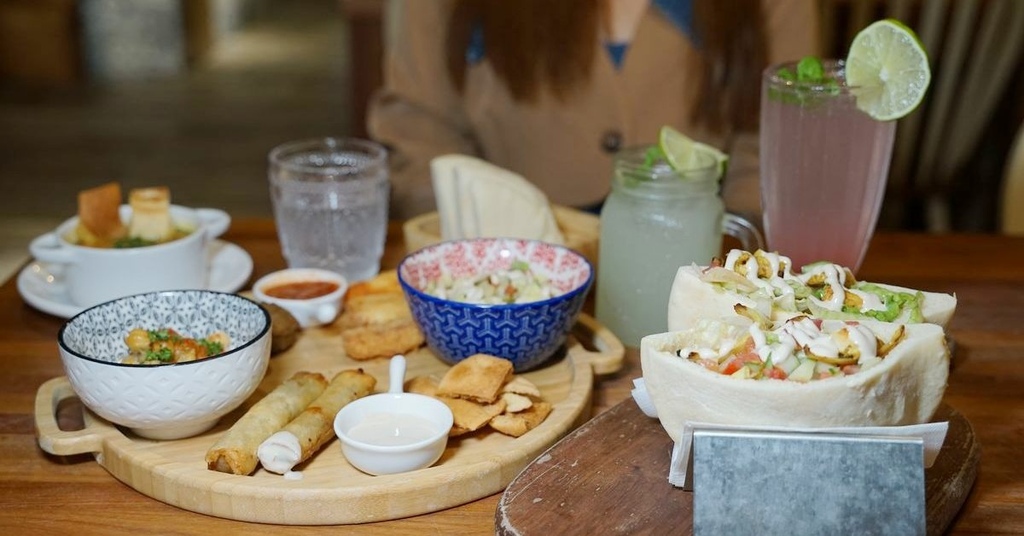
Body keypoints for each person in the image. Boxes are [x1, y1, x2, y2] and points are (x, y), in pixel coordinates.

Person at [368, 0, 820, 221]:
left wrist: (725, 254)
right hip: (505, 273)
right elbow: (419, 127)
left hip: (699, 267)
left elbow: (778, 135)